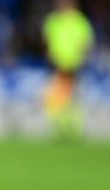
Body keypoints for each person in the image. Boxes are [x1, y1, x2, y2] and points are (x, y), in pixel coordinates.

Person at [43, 0, 94, 139]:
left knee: (72, 99)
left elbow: (86, 43)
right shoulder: (52, 20)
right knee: (55, 98)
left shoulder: (79, 20)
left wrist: (81, 58)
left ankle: (75, 129)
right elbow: (48, 41)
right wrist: (50, 55)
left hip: (74, 65)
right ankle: (60, 128)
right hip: (56, 65)